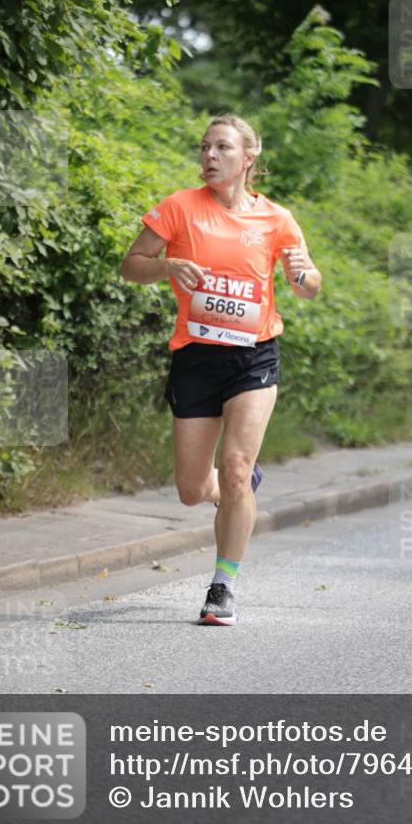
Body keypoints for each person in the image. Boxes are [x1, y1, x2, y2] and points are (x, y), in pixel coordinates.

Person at [119, 114, 321, 623]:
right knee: (192, 490)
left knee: (231, 467)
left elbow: (309, 281)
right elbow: (130, 265)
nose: (210, 156)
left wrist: (303, 276)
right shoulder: (179, 208)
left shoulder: (276, 219)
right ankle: (238, 488)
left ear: (248, 158)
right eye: (205, 147)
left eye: (222, 148)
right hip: (196, 357)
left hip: (254, 355)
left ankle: (222, 586)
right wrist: (165, 265)